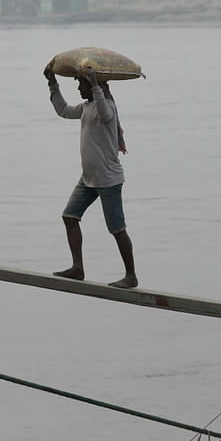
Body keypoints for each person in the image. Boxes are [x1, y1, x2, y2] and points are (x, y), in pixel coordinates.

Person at [44, 64, 137, 289]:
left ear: (95, 85)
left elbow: (106, 113)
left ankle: (131, 275)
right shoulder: (87, 107)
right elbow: (63, 110)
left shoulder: (108, 107)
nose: (78, 87)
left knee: (117, 229)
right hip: (88, 179)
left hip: (108, 180)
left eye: (80, 83)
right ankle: (78, 268)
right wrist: (52, 83)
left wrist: (95, 84)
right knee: (70, 216)